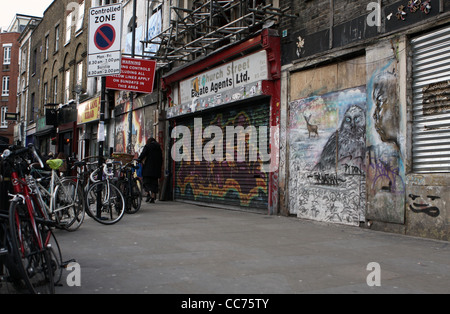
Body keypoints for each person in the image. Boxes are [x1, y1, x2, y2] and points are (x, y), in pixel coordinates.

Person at [138, 137, 163, 203]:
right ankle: (153, 196)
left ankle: (148, 194)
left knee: (146, 182)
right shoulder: (159, 148)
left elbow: (143, 154)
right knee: (154, 183)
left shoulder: (148, 146)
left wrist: (139, 159)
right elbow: (161, 158)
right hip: (156, 169)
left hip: (148, 169)